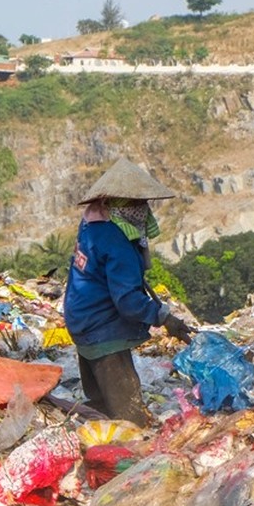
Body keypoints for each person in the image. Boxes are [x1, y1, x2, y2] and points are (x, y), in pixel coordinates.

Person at [63, 158, 195, 426]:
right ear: (123, 206)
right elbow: (128, 302)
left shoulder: (93, 223)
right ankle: (126, 460)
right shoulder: (117, 243)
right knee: (130, 414)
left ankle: (100, 439)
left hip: (80, 317)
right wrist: (164, 317)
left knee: (100, 404)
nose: (144, 209)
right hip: (102, 328)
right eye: (137, 204)